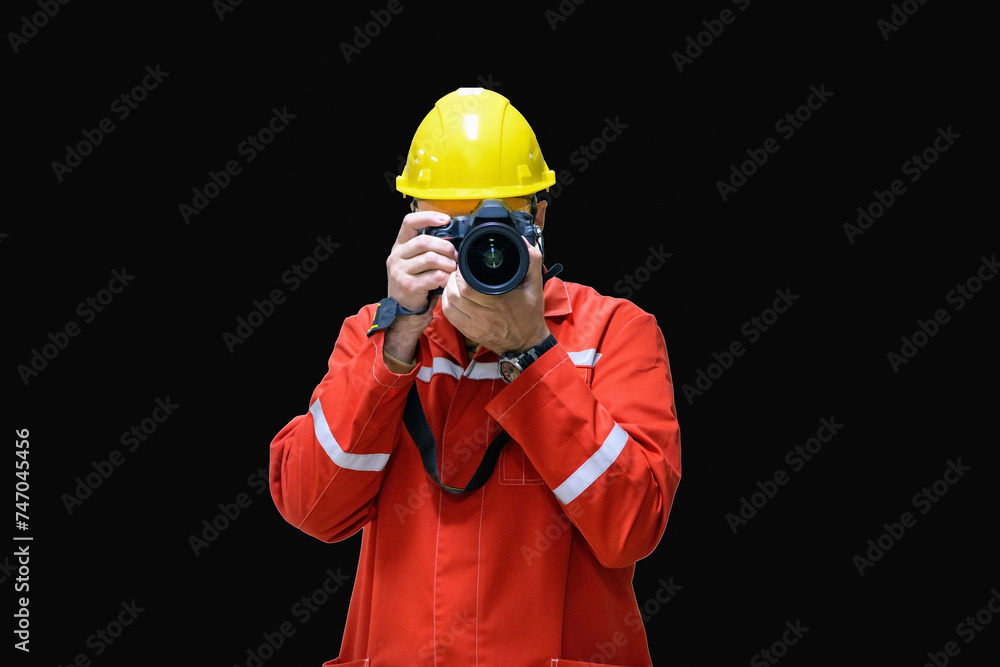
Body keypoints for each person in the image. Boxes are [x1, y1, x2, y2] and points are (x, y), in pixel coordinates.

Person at [269, 87, 682, 666]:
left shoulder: (613, 332)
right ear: (412, 225)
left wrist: (531, 351)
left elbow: (632, 528)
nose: (478, 250)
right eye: (450, 228)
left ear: (539, 218)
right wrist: (395, 346)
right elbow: (312, 510)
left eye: (498, 225)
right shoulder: (375, 335)